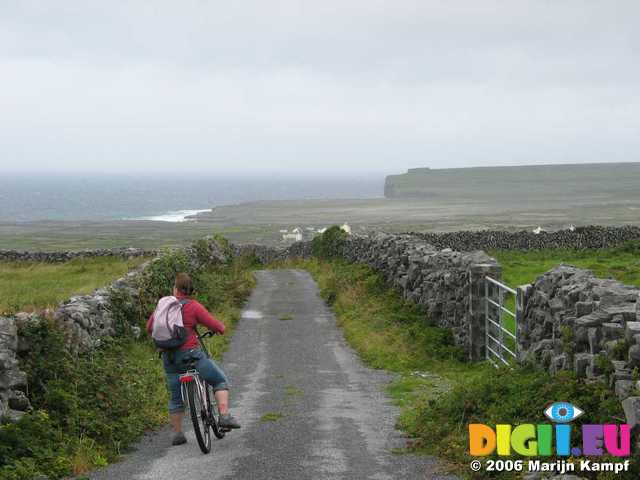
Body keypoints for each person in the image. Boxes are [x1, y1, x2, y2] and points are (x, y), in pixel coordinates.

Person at [146, 273, 241, 446]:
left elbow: (149, 327)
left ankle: (177, 434)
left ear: (175, 288)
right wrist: (221, 328)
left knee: (175, 398)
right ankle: (224, 416)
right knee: (219, 380)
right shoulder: (193, 306)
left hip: (170, 358)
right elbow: (215, 325)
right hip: (191, 354)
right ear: (190, 290)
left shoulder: (164, 306)